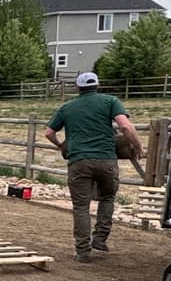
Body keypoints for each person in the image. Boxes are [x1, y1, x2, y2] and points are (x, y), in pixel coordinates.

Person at [46, 72, 140, 262]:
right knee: (107, 198)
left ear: (78, 87)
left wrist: (63, 146)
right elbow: (126, 127)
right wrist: (138, 147)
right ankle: (100, 238)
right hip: (106, 159)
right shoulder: (110, 101)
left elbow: (49, 133)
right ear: (98, 85)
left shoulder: (67, 107)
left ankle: (82, 250)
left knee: (81, 206)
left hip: (78, 161)